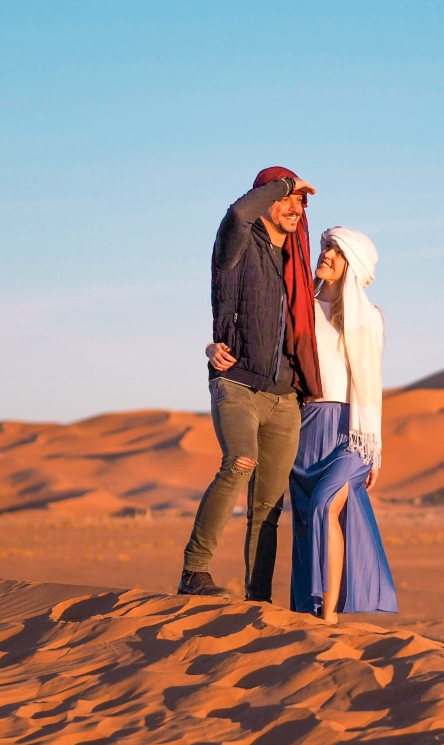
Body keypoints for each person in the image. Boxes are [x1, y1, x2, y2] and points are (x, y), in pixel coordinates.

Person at [180, 167, 321, 602]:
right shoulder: (237, 244)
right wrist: (282, 185)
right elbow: (239, 213)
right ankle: (194, 572)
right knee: (240, 461)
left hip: (284, 398)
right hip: (238, 384)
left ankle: (257, 598)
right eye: (290, 199)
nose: (298, 207)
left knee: (267, 508)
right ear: (269, 199)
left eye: (302, 201)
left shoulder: (295, 260)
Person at [290, 227, 397, 623]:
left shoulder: (370, 319)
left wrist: (375, 450)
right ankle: (308, 610)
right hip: (305, 430)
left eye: (336, 251)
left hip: (349, 433)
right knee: (304, 523)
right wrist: (213, 347)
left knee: (323, 507)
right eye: (326, 247)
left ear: (352, 265)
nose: (327, 255)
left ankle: (329, 615)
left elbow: (372, 386)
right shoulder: (303, 308)